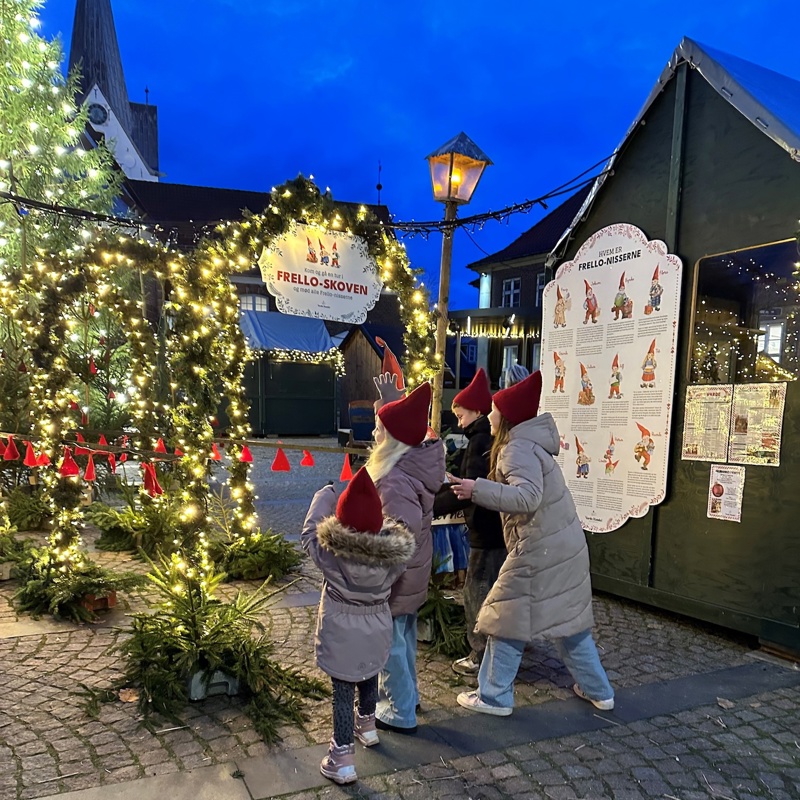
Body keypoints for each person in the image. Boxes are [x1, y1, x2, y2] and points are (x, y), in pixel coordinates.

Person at [449, 371, 614, 716]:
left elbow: (527, 497)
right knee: (569, 626)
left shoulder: (515, 450)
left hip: (539, 549)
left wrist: (475, 489)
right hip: (561, 547)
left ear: (505, 417)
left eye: (494, 410)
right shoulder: (527, 446)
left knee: (504, 618)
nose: (490, 414)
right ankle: (599, 691)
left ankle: (493, 697)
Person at [301, 468, 417, 784]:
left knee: (342, 689)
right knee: (369, 673)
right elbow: (398, 544)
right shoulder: (393, 558)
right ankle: (367, 726)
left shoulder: (331, 554)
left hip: (340, 631)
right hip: (377, 626)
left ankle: (342, 758)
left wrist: (324, 494)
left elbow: (310, 532)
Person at [366, 381, 445, 733]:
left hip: (396, 577)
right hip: (413, 573)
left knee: (391, 646)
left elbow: (399, 534)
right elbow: (405, 423)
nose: (373, 432)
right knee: (403, 639)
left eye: (378, 429)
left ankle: (399, 710)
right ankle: (407, 696)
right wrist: (389, 403)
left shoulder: (394, 479)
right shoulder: (413, 462)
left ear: (391, 439)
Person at [433, 368, 505, 676]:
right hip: (495, 529)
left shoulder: (478, 441)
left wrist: (431, 505)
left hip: (485, 531)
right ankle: (497, 650)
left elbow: (470, 488)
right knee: (492, 589)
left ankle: (480, 654)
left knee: (476, 591)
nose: (458, 422)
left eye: (460, 416)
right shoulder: (485, 439)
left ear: (476, 411)